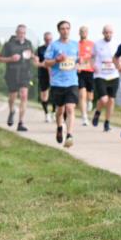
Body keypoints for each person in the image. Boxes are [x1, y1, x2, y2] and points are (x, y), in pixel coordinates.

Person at [43, 20, 80, 148]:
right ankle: (59, 127)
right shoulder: (53, 46)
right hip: (57, 83)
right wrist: (56, 60)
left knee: (70, 108)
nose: (65, 31)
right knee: (60, 110)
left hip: (72, 82)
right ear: (59, 30)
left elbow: (78, 60)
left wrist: (78, 65)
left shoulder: (75, 45)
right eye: (63, 28)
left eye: (67, 28)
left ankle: (69, 135)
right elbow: (46, 63)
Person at [0, 24, 35, 132]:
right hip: (12, 73)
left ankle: (21, 123)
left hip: (25, 73)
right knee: (12, 97)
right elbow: (0, 58)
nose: (22, 35)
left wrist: (33, 56)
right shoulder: (8, 44)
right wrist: (11, 58)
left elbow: (32, 55)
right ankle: (11, 111)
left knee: (24, 95)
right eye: (20, 33)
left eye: (24, 33)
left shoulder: (28, 43)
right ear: (16, 33)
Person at [91, 24, 119, 132]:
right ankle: (97, 112)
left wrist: (119, 65)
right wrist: (93, 66)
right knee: (104, 99)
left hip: (113, 75)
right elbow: (92, 57)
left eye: (110, 32)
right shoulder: (97, 44)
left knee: (111, 100)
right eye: (106, 32)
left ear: (112, 33)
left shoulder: (116, 44)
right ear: (103, 33)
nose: (108, 34)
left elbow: (119, 58)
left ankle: (107, 122)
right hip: (100, 75)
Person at [77, 26, 95, 126]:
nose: (83, 33)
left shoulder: (92, 44)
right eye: (81, 31)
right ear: (79, 33)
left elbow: (95, 57)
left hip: (90, 71)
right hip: (81, 72)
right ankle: (84, 117)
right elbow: (73, 58)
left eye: (85, 31)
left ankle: (90, 101)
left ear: (87, 33)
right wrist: (77, 64)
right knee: (82, 95)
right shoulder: (76, 45)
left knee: (90, 95)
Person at [36, 31, 54, 122]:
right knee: (44, 94)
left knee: (56, 93)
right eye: (47, 39)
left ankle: (54, 112)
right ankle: (47, 113)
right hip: (43, 74)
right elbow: (36, 63)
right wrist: (43, 64)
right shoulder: (40, 49)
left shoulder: (56, 48)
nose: (48, 41)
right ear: (44, 39)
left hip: (55, 74)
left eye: (50, 39)